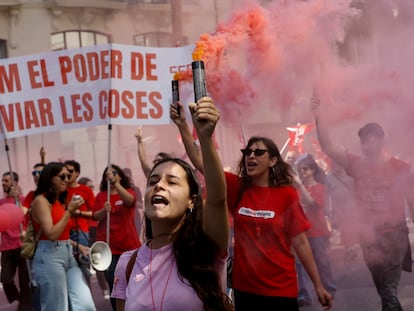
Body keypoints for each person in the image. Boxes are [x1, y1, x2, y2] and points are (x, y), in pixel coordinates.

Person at [170, 101, 333, 310]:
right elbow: (201, 162)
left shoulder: (287, 195)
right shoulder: (237, 187)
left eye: (258, 153)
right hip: (245, 290)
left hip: (281, 291)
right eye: (248, 153)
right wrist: (183, 125)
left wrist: (318, 285)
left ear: (273, 161)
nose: (251, 156)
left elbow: (300, 243)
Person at [112, 96, 233, 311]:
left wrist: (205, 138)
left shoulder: (205, 249)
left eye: (172, 182)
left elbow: (217, 198)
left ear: (191, 201)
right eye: (153, 181)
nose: (159, 186)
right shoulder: (127, 264)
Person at [311, 96, 414, 311]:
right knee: (382, 289)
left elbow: (412, 201)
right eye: (363, 140)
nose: (367, 145)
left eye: (372, 139)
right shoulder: (356, 164)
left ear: (382, 139)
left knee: (388, 291)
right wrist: (319, 116)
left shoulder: (400, 168)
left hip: (395, 237)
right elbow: (328, 147)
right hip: (369, 237)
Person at [30, 162, 96, 311]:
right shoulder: (41, 201)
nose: (67, 179)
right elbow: (52, 234)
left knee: (85, 305)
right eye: (62, 176)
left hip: (67, 254)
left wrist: (79, 246)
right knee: (57, 308)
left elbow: (62, 235)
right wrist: (70, 211)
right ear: (49, 178)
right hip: (49, 257)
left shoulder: (59, 200)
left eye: (68, 175)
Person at [92, 164, 141, 311]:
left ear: (119, 175)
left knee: (134, 282)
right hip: (109, 248)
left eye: (114, 172)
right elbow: (96, 216)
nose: (111, 175)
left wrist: (116, 184)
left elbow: (129, 201)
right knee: (114, 283)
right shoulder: (101, 196)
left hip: (128, 246)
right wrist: (103, 211)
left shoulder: (128, 191)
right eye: (108, 174)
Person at [293, 153, 336, 306]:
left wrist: (299, 186)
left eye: (305, 169)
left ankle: (329, 288)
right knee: (300, 263)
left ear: (312, 170)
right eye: (300, 169)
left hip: (317, 231)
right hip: (301, 232)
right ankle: (305, 294)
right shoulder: (298, 189)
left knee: (321, 261)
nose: (302, 172)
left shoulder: (320, 187)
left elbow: (313, 203)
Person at [0, 171, 33, 311]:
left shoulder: (24, 200)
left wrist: (18, 199)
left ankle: (24, 307)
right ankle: (20, 299)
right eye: (2, 180)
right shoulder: (1, 203)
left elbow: (25, 216)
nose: (3, 183)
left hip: (22, 245)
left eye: (6, 180)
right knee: (6, 279)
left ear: (15, 182)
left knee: (25, 281)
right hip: (7, 247)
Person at [63, 160, 95, 287]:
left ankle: (87, 294)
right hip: (64, 232)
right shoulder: (61, 190)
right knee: (67, 266)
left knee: (83, 264)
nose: (67, 175)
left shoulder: (85, 190)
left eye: (70, 171)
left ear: (77, 173)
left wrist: (78, 213)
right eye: (64, 172)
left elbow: (94, 213)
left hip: (81, 231)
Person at [78, 176, 110, 300]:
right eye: (88, 187)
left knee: (99, 259)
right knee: (91, 262)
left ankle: (105, 287)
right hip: (84, 232)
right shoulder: (80, 199)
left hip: (96, 230)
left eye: (92, 187)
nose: (91, 189)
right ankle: (94, 291)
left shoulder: (96, 198)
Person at [123, 167, 144, 242]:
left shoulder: (136, 189)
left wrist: (132, 199)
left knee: (136, 238)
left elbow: (141, 206)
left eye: (129, 177)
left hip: (136, 217)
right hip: (124, 219)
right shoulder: (119, 190)